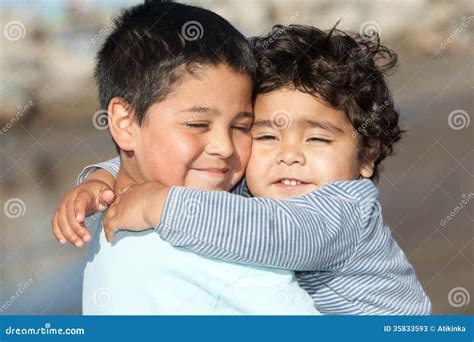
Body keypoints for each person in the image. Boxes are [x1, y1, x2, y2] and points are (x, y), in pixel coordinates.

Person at [53, 15, 431, 314]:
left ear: (366, 155)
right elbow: (170, 166)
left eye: (316, 138)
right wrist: (102, 179)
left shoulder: (343, 210)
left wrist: (161, 205)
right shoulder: (258, 186)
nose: (289, 155)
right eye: (264, 136)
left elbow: (273, 233)